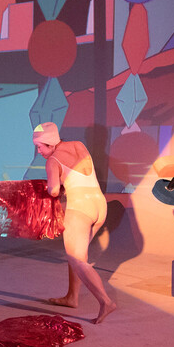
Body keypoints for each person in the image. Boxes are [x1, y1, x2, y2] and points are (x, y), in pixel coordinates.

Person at [33, 122, 117, 324]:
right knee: (78, 256)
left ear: (51, 143)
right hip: (99, 205)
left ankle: (106, 302)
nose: (39, 151)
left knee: (77, 260)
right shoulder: (79, 145)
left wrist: (50, 187)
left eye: (41, 146)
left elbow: (53, 191)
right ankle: (72, 297)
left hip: (80, 209)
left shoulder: (52, 160)